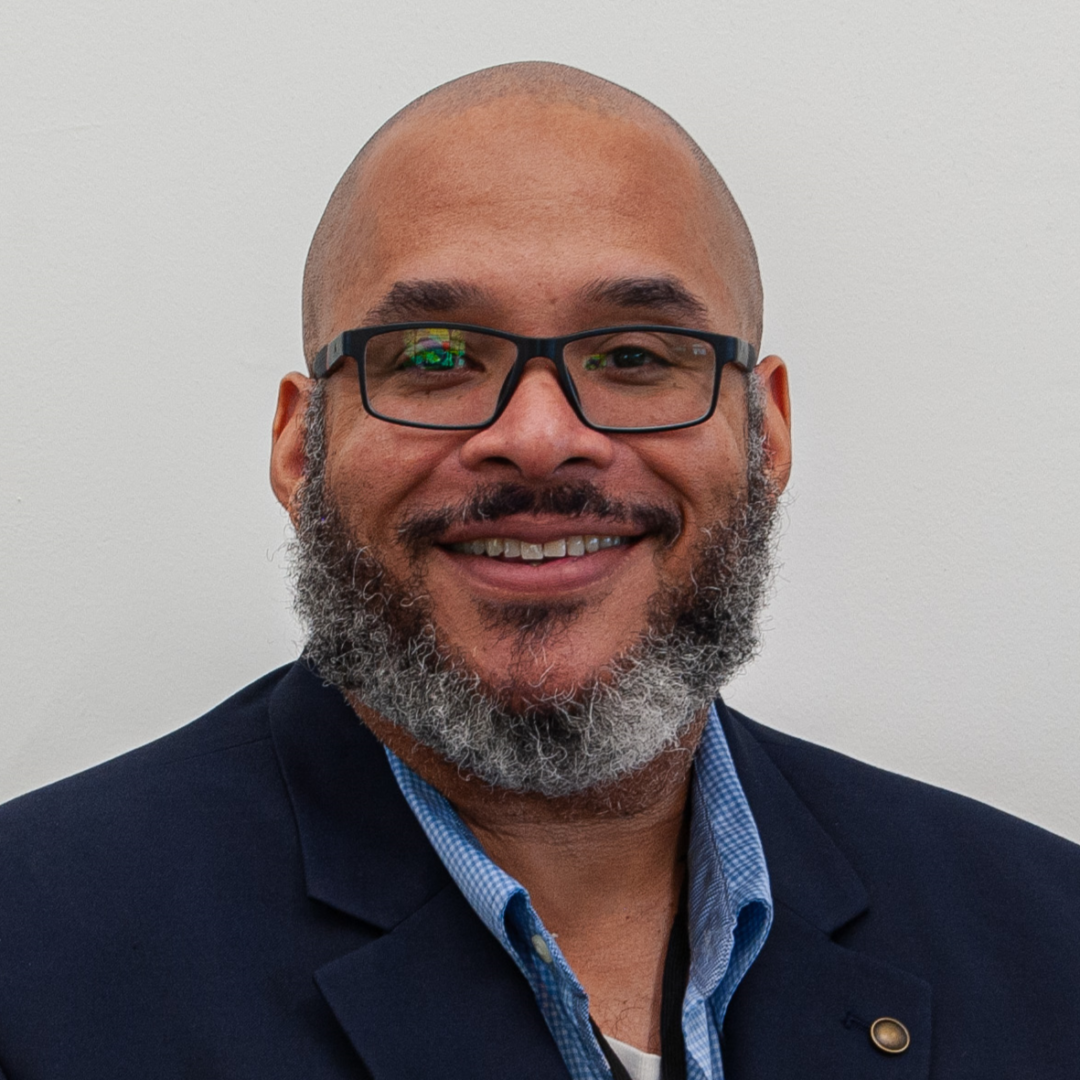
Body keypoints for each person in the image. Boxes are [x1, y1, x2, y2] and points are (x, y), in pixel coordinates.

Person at [0, 62, 1077, 1080]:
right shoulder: (32, 956)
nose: (540, 435)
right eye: (432, 358)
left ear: (768, 435)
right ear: (298, 447)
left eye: (637, 358)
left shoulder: (1048, 938)